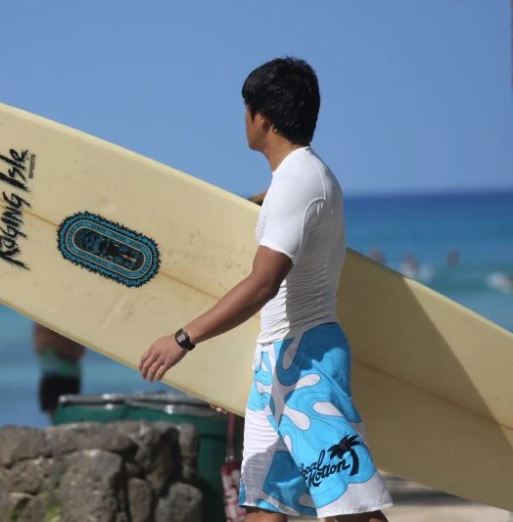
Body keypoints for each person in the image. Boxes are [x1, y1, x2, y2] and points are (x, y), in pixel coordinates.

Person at [138, 57, 392, 521]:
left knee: (352, 507)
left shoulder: (299, 183)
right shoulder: (299, 181)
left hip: (307, 368)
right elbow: (285, 218)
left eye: (246, 111)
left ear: (264, 119)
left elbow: (263, 284)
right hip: (276, 364)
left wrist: (184, 339)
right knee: (262, 509)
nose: (244, 121)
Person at [33, 322, 85, 422]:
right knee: (57, 416)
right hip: (54, 374)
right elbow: (41, 345)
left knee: (65, 416)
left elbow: (78, 352)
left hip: (66, 375)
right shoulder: (43, 326)